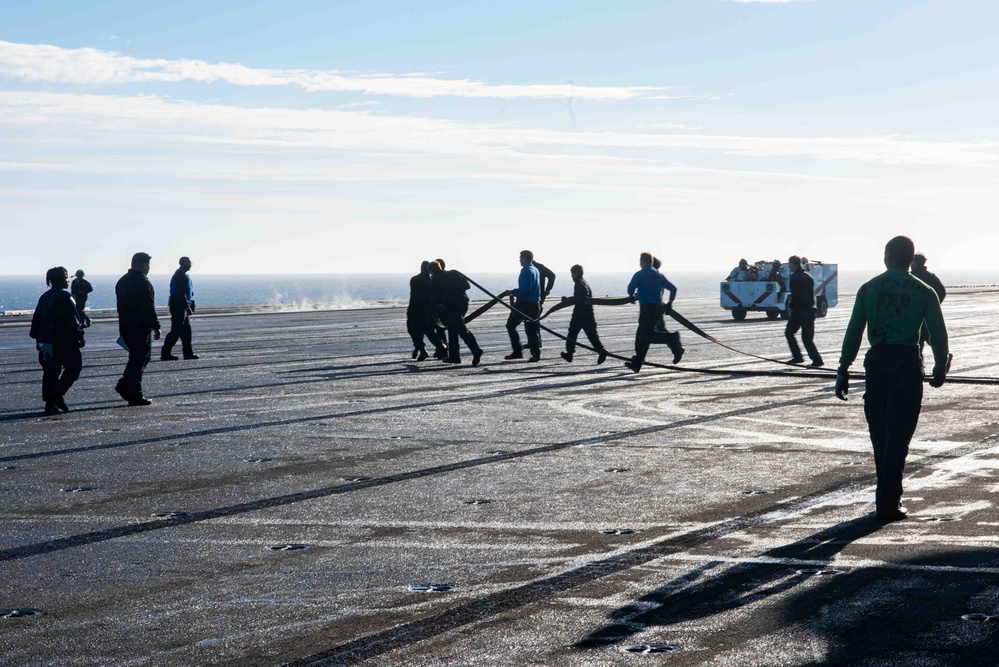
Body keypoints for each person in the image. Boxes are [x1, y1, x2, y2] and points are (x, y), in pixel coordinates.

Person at [835, 235, 950, 522]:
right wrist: (940, 367)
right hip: (907, 363)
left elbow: (853, 332)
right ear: (910, 259)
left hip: (878, 361)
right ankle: (889, 501)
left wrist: (843, 369)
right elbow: (938, 334)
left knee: (880, 434)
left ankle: (884, 498)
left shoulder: (869, 288)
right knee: (899, 435)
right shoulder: (924, 291)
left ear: (886, 256)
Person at [29, 267, 85, 414]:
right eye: (66, 277)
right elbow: (73, 321)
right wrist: (80, 336)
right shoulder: (66, 297)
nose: (68, 280)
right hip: (63, 340)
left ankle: (50, 403)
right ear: (60, 279)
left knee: (50, 372)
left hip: (45, 341)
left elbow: (37, 319)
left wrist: (37, 338)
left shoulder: (44, 297)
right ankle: (56, 395)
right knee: (74, 368)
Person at [115, 252, 161, 406]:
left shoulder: (122, 281)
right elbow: (148, 307)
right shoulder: (143, 283)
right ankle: (134, 394)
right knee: (140, 359)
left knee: (136, 359)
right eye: (148, 265)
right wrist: (156, 326)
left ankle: (125, 385)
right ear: (143, 265)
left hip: (126, 326)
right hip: (140, 327)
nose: (148, 268)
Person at [625, 252, 682, 372]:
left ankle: (672, 338)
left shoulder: (639, 274)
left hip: (646, 309)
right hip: (658, 309)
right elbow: (673, 289)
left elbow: (630, 289)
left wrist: (632, 296)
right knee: (641, 336)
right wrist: (669, 303)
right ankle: (637, 363)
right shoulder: (659, 275)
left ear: (641, 261)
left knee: (646, 336)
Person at [428, 261, 483, 366]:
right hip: (463, 302)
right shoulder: (454, 273)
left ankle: (476, 349)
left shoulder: (434, 280)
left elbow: (435, 298)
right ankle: (454, 356)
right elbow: (467, 286)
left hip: (451, 305)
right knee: (453, 328)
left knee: (460, 328)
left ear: (431, 271)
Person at [560, 264, 607, 365]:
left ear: (576, 273)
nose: (571, 276)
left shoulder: (579, 283)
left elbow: (580, 297)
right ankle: (601, 351)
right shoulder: (584, 282)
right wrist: (569, 299)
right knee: (591, 335)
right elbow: (580, 296)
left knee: (572, 333)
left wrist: (568, 300)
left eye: (572, 274)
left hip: (580, 314)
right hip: (588, 313)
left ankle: (570, 353)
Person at [501, 250, 542, 362]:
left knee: (510, 325)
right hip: (535, 304)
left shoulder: (526, 270)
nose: (519, 260)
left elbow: (525, 289)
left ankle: (517, 351)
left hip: (525, 305)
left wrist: (512, 292)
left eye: (520, 258)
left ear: (524, 258)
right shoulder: (535, 270)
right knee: (531, 330)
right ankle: (536, 354)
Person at [785, 255, 824, 367]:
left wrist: (791, 306)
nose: (789, 266)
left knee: (789, 333)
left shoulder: (794, 278)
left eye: (789, 264)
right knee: (807, 338)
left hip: (799, 311)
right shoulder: (808, 276)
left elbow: (796, 296)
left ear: (793, 264)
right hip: (810, 310)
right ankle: (817, 360)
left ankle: (798, 357)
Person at [407, 260, 446, 361]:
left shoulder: (419, 279)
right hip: (421, 309)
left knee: (423, 331)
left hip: (421, 309)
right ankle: (435, 348)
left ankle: (433, 348)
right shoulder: (428, 280)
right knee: (422, 331)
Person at [161, 256, 199, 361]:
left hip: (181, 305)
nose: (190, 265)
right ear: (183, 263)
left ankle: (188, 353)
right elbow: (181, 293)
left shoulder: (183, 274)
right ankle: (165, 353)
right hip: (178, 306)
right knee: (176, 330)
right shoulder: (179, 275)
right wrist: (187, 307)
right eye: (189, 263)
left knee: (186, 331)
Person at [910, 252, 946, 355]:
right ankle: (943, 356)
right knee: (932, 339)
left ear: (916, 263)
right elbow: (941, 291)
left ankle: (919, 362)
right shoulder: (931, 276)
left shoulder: (912, 277)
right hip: (928, 314)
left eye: (912, 262)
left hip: (916, 315)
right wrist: (934, 305)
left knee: (919, 340)